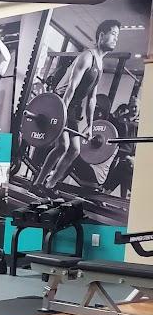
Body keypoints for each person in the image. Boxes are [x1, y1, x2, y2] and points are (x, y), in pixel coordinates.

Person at [33, 18, 121, 195]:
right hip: (60, 102)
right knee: (64, 146)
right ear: (101, 35)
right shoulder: (87, 57)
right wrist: (61, 115)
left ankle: (48, 184)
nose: (115, 39)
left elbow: (92, 98)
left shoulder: (100, 64)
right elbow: (71, 88)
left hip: (72, 108)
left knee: (74, 150)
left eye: (117, 36)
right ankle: (38, 183)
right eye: (113, 34)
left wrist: (90, 125)